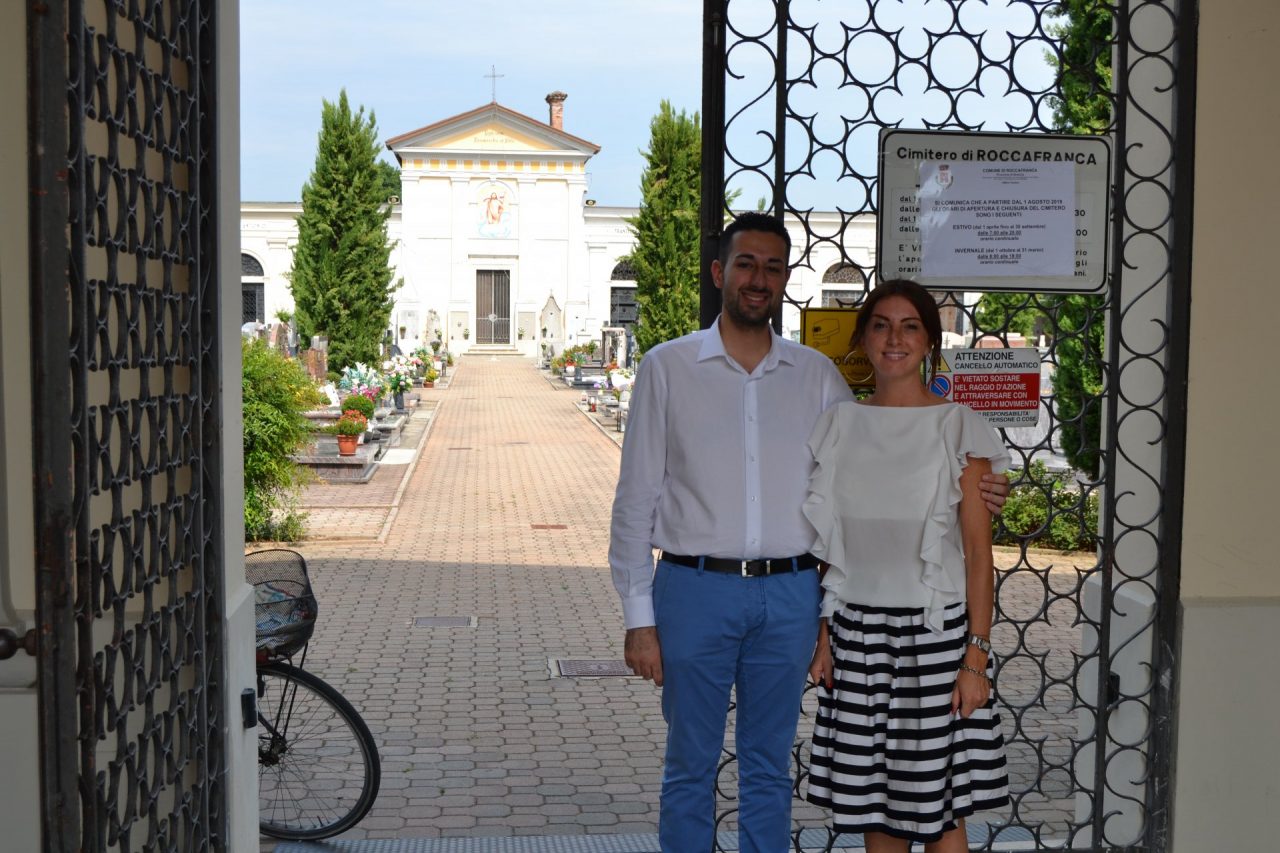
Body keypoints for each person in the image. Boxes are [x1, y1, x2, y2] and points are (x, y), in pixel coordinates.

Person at [609, 215, 1010, 853]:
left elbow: (872, 469)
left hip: (791, 594)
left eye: (772, 267)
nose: (757, 278)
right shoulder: (667, 367)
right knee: (689, 765)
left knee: (769, 769)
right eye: (746, 264)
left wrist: (984, 488)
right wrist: (638, 617)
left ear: (785, 278)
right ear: (720, 273)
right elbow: (633, 502)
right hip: (693, 587)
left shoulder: (817, 378)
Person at [803, 279, 1011, 852]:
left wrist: (976, 656)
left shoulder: (957, 427)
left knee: (941, 814)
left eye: (909, 325)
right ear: (864, 340)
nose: (894, 337)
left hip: (935, 640)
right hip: (857, 640)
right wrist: (821, 635)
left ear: (929, 341)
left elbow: (978, 556)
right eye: (881, 325)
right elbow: (826, 550)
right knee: (877, 814)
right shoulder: (839, 426)